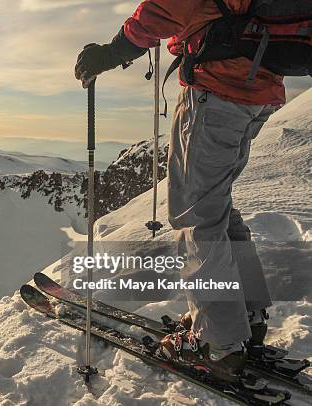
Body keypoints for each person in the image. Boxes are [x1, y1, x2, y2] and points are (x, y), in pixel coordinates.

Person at [74, 0, 279, 382]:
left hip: (218, 89)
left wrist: (112, 51)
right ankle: (244, 315)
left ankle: (218, 343)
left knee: (197, 216)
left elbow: (162, 10)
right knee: (215, 205)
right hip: (260, 86)